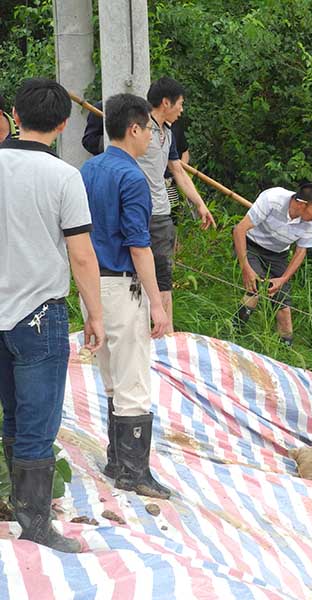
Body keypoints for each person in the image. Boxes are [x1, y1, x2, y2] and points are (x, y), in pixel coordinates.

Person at [0, 78, 105, 552]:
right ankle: (35, 523)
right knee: (36, 423)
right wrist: (95, 316)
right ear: (63, 125)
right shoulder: (65, 177)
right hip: (40, 315)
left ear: (15, 117)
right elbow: (81, 256)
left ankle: (19, 511)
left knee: (11, 415)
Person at [80, 93, 172, 500]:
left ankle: (116, 460)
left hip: (91, 285)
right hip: (121, 283)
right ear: (133, 128)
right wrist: (157, 302)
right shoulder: (132, 177)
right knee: (133, 376)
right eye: (149, 129)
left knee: (111, 374)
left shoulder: (88, 169)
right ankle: (134, 473)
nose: (152, 136)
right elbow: (139, 245)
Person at [138, 77, 216, 334]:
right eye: (180, 104)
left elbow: (178, 172)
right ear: (165, 102)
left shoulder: (168, 134)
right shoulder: (138, 128)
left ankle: (166, 332)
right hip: (135, 210)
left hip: (161, 212)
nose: (182, 109)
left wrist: (200, 205)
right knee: (131, 271)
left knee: (163, 272)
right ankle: (137, 328)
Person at [232, 183, 312, 345]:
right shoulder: (272, 199)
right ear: (301, 204)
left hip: (278, 255)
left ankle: (285, 350)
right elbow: (239, 230)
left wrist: (283, 279)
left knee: (284, 307)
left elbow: (300, 252)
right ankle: (233, 333)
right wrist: (245, 267)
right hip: (252, 243)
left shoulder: (311, 221)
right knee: (254, 289)